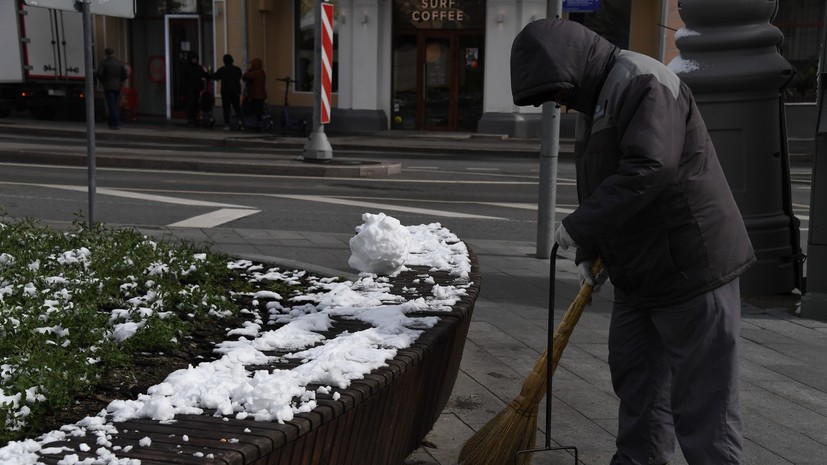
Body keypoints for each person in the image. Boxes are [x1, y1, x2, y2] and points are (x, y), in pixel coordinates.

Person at [510, 18, 755, 465]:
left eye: (557, 92)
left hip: (691, 267)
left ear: (572, 67)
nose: (560, 103)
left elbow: (650, 168)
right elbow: (601, 181)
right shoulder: (596, 99)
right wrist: (591, 249)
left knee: (703, 403)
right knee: (637, 385)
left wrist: (580, 226)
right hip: (640, 272)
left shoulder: (643, 81)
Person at [95, 48, 128, 130]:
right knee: (114, 103)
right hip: (117, 87)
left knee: (111, 104)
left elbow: (99, 73)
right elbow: (125, 75)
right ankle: (111, 122)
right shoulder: (119, 63)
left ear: (106, 54)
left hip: (108, 86)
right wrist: (120, 81)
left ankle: (116, 123)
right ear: (113, 53)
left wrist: (103, 81)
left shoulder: (104, 63)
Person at [212, 54, 243, 129]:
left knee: (226, 108)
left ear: (224, 61)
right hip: (236, 91)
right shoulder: (237, 69)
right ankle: (241, 122)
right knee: (237, 107)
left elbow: (215, 76)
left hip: (226, 92)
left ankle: (227, 124)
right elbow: (240, 76)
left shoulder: (222, 69)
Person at [181, 52, 210, 125]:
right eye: (193, 59)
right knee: (190, 103)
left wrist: (211, 76)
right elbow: (183, 78)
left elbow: (204, 74)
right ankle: (190, 118)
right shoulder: (186, 67)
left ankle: (194, 118)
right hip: (189, 89)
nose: (195, 60)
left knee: (195, 104)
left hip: (197, 88)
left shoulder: (198, 67)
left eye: (196, 59)